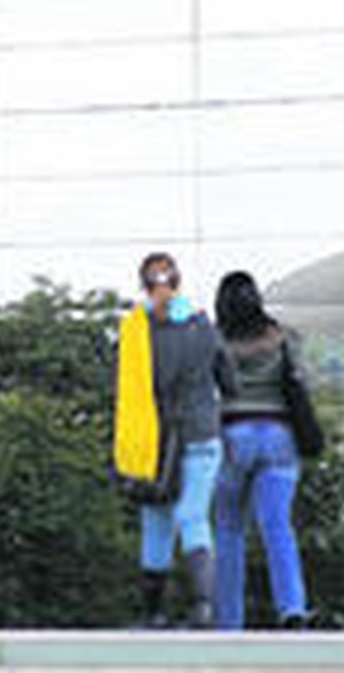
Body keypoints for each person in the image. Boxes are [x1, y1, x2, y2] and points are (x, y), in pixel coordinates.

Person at [117, 252, 237, 629]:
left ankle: (154, 616)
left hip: (158, 442)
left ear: (144, 286)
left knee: (157, 523)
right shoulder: (204, 325)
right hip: (202, 433)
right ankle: (203, 611)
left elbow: (135, 392)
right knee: (193, 517)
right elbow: (230, 383)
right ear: (178, 283)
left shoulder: (139, 331)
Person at [212, 270, 309, 630]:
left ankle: (229, 623)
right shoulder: (283, 337)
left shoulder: (215, 340)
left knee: (229, 530)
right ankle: (292, 607)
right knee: (277, 525)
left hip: (233, 437)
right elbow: (299, 385)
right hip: (280, 437)